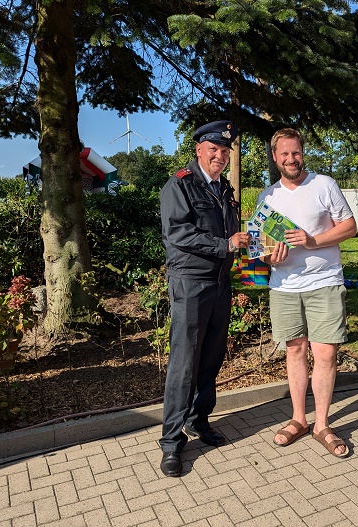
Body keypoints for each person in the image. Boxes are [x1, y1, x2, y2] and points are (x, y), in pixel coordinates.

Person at [157, 120, 251, 477]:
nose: (220, 156)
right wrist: (224, 244)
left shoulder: (224, 189)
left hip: (220, 283)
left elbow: (231, 232)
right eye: (214, 149)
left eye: (225, 151)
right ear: (199, 150)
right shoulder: (180, 184)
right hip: (191, 283)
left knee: (211, 357)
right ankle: (171, 442)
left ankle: (199, 421)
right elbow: (178, 233)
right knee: (185, 363)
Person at [259, 128, 357, 458]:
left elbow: (350, 226)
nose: (291, 159)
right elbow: (261, 252)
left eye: (296, 152)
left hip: (324, 282)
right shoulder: (267, 198)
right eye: (285, 154)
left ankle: (322, 425)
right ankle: (299, 419)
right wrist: (270, 257)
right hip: (284, 287)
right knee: (295, 351)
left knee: (326, 354)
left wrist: (312, 240)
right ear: (275, 157)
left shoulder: (324, 184)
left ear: (303, 153)